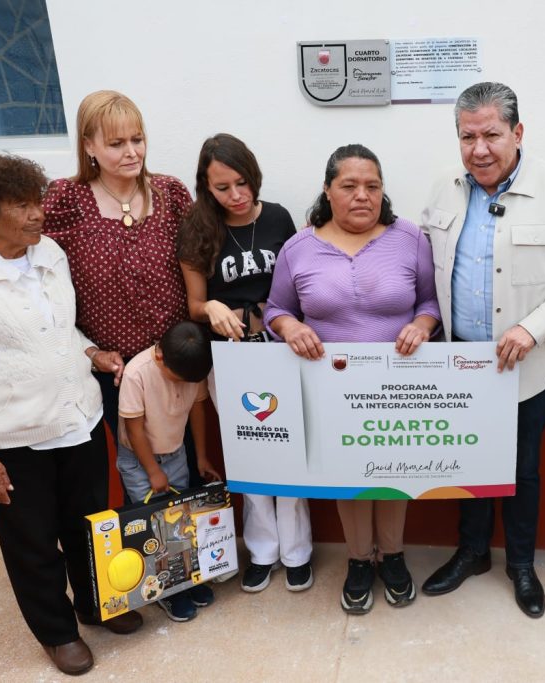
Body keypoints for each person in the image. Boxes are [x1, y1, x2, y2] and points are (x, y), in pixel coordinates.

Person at [0, 153, 140, 676]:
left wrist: (92, 351)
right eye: (20, 206)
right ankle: (57, 632)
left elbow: (61, 327)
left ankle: (97, 604)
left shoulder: (50, 253)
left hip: (79, 419)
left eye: (36, 201)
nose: (36, 213)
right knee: (33, 544)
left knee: (89, 526)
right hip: (15, 439)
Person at [419, 82, 545, 618]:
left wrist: (532, 328)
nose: (479, 149)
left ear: (517, 132)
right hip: (461, 363)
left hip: (526, 365)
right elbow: (426, 266)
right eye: (468, 137)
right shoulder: (444, 189)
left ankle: (521, 564)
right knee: (467, 463)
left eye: (492, 135)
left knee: (522, 470)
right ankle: (472, 552)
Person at [0, 91, 192, 447]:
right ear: (89, 145)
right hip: (115, 369)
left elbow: (203, 250)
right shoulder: (69, 199)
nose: (132, 152)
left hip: (179, 358)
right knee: (138, 468)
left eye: (137, 139)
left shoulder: (169, 193)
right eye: (116, 143)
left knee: (192, 459)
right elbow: (10, 233)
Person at [265, 144, 441, 614]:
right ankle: (360, 560)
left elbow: (430, 301)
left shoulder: (410, 239)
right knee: (350, 478)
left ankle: (394, 555)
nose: (363, 195)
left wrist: (422, 325)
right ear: (328, 190)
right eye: (349, 185)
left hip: (398, 385)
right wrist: (290, 327)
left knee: (394, 474)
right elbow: (276, 309)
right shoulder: (299, 248)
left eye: (372, 186)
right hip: (332, 390)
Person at [176, 134, 313, 594]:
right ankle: (261, 551)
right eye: (222, 188)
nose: (236, 195)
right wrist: (212, 307)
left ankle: (297, 552)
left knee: (289, 452)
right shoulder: (198, 228)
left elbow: (297, 283)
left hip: (281, 350)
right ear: (206, 186)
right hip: (230, 357)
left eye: (242, 183)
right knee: (249, 452)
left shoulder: (277, 217)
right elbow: (195, 304)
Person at [117, 320, 221, 622]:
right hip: (140, 461)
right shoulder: (136, 374)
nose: (181, 384)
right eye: (177, 379)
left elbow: (197, 410)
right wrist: (153, 471)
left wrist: (200, 457)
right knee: (154, 525)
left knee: (179, 521)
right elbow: (134, 430)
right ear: (160, 356)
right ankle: (164, 590)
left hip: (175, 453)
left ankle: (184, 579)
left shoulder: (192, 368)